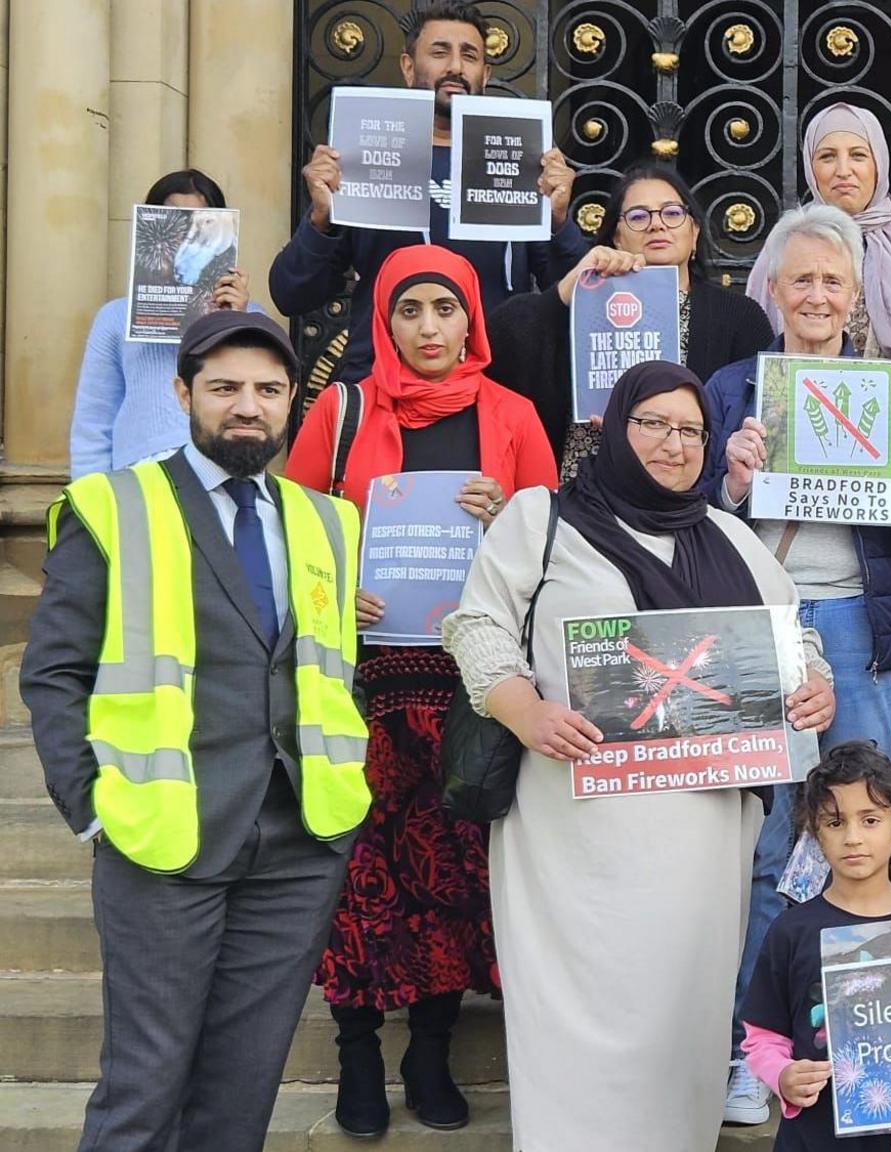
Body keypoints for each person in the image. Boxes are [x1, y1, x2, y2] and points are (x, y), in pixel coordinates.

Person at [441, 359, 835, 1151]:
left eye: (690, 429)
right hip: (572, 827)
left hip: (700, 835)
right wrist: (525, 712)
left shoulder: (731, 539)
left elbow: (795, 640)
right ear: (614, 430)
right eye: (653, 422)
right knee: (578, 1017)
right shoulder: (540, 517)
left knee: (677, 1017)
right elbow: (477, 624)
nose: (674, 442)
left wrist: (816, 684)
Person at [22, 310, 369, 1150]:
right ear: (184, 394)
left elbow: (325, 668)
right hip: (160, 838)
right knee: (145, 1091)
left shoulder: (329, 520)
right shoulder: (112, 506)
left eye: (267, 390)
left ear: (292, 401)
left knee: (241, 1095)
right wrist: (93, 808)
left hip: (298, 842)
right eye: (224, 388)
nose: (246, 406)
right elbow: (54, 673)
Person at [283, 244, 556, 1136]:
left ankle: (429, 1051)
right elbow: (292, 533)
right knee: (357, 874)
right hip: (359, 682)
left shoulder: (512, 413)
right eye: (410, 311)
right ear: (384, 320)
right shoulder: (341, 407)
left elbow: (553, 546)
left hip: (466, 690)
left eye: (445, 309)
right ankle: (356, 1053)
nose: (429, 327)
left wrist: (507, 511)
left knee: (453, 877)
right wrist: (334, 584)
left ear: (472, 318)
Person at [706, 201, 891, 1124]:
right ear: (772, 292)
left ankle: (859, 1040)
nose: (817, 295)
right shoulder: (731, 388)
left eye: (833, 282)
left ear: (857, 298)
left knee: (857, 838)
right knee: (773, 844)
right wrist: (729, 482)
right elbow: (681, 527)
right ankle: (757, 1051)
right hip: (761, 632)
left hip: (855, 631)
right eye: (801, 280)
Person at [270, 0, 587, 388]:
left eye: (468, 55)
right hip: (382, 394)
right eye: (440, 52)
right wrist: (320, 221)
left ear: (484, 74)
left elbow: (579, 300)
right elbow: (291, 295)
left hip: (490, 392)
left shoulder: (520, 165)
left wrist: (558, 222)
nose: (455, 66)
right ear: (408, 66)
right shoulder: (364, 162)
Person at [490, 160, 775, 472]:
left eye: (672, 213)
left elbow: (758, 420)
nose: (657, 224)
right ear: (616, 237)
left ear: (694, 233)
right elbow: (498, 351)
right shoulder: (581, 304)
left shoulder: (738, 317)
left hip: (685, 495)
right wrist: (566, 292)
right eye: (638, 216)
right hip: (584, 490)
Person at [740, 743, 891, 1152]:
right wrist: (781, 1075)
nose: (853, 838)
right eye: (835, 823)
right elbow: (761, 1034)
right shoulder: (791, 930)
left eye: (870, 820)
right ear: (814, 831)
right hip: (813, 1137)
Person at [70, 169, 256, 477]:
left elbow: (259, 401)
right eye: (172, 219)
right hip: (139, 473)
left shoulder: (252, 317)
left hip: (224, 471)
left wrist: (235, 320)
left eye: (200, 221)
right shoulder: (114, 318)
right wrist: (86, 497)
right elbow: (94, 421)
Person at [745, 102, 891, 362]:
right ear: (811, 168)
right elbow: (758, 329)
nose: (843, 170)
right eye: (827, 156)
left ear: (878, 164)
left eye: (858, 155)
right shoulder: (789, 238)